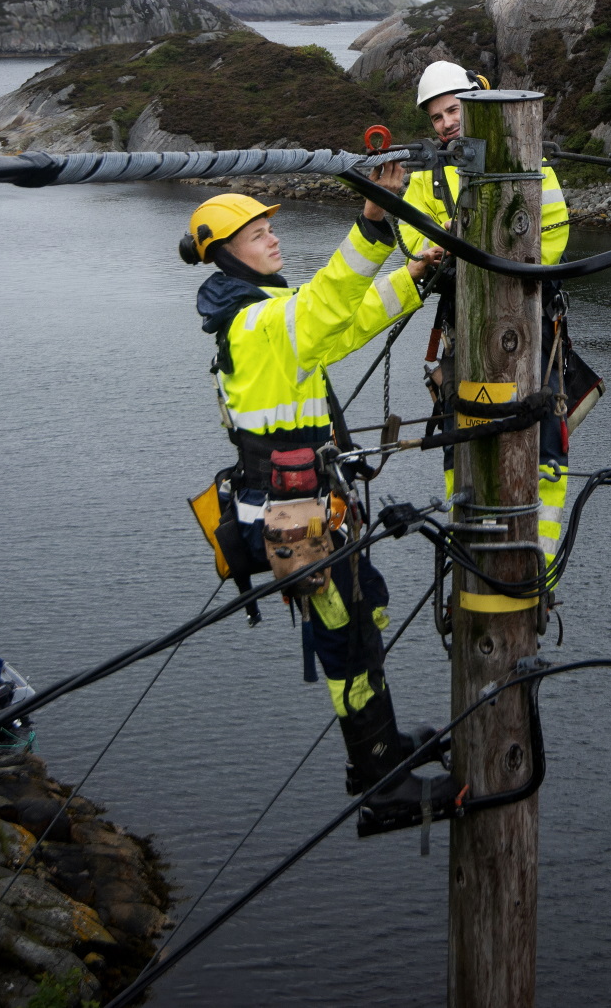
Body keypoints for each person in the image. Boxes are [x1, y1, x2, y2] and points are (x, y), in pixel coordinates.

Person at [182, 178, 448, 824]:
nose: (273, 236)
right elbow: (328, 302)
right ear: (227, 253)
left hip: (303, 511)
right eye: (257, 233)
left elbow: (342, 322)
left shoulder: (265, 313)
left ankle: (382, 745)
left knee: (363, 611)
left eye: (269, 228)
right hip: (290, 520)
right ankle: (379, 780)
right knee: (345, 637)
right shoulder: (256, 324)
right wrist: (370, 224)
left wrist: (411, 275)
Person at [398, 60, 575, 579]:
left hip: (532, 316)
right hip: (466, 326)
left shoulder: (528, 159)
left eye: (452, 110)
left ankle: (536, 565)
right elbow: (412, 242)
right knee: (464, 445)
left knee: (541, 441)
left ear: (476, 99)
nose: (446, 124)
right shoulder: (428, 177)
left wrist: (486, 256)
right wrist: (440, 247)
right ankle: (471, 556)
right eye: (436, 117)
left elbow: (556, 234)